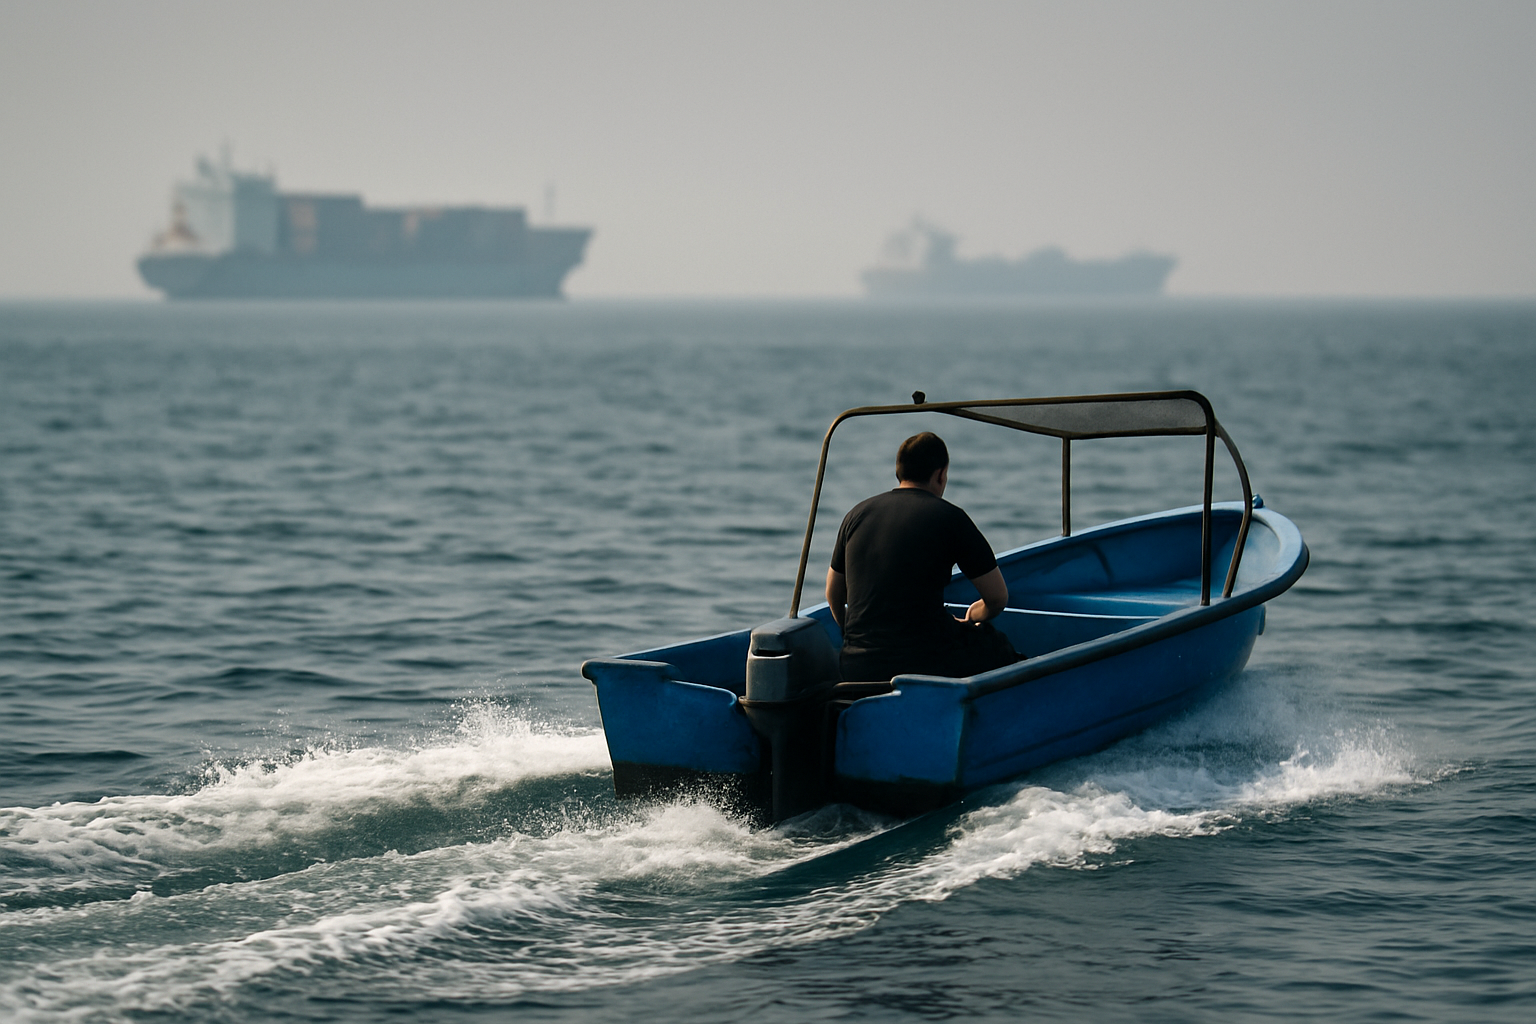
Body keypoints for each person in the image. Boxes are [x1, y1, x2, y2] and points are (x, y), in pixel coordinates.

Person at [825, 431, 1020, 683]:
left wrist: (850, 633)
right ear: (941, 474)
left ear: (899, 472)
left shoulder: (856, 515)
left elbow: (833, 593)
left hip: (857, 665)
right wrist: (974, 616)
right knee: (996, 643)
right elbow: (997, 598)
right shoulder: (950, 517)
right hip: (926, 663)